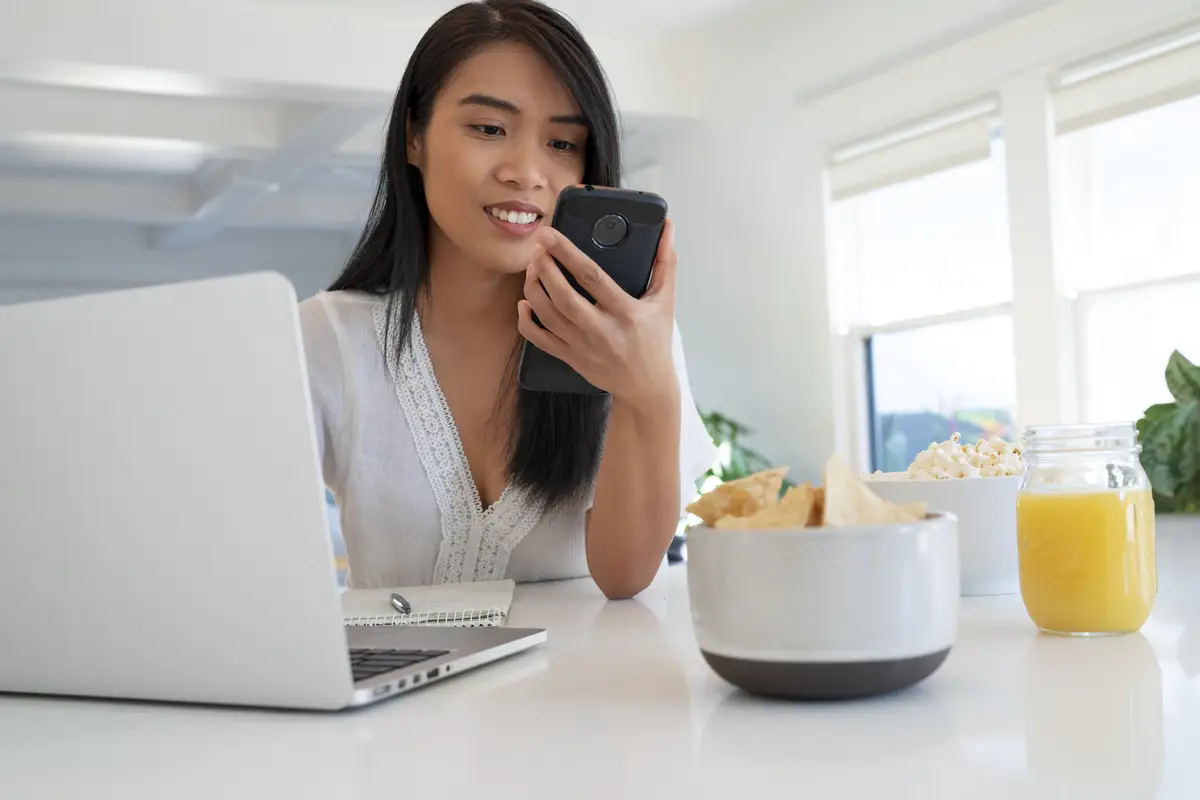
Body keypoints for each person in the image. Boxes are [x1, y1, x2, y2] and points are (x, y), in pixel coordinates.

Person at [299, 0, 717, 599]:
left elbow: (624, 575)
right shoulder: (325, 338)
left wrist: (648, 390)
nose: (527, 172)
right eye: (489, 129)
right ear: (414, 136)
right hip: (401, 691)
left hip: (576, 692)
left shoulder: (629, 335)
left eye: (563, 143)